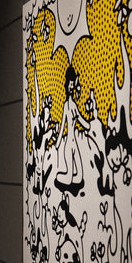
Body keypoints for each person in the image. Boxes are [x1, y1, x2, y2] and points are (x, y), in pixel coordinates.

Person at [54, 66, 92, 195]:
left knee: (79, 177)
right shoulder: (66, 106)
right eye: (69, 84)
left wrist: (88, 125)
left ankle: (66, 180)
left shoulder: (74, 105)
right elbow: (62, 126)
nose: (71, 87)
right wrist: (58, 142)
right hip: (68, 146)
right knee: (69, 178)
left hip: (74, 143)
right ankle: (58, 177)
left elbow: (80, 119)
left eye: (72, 84)